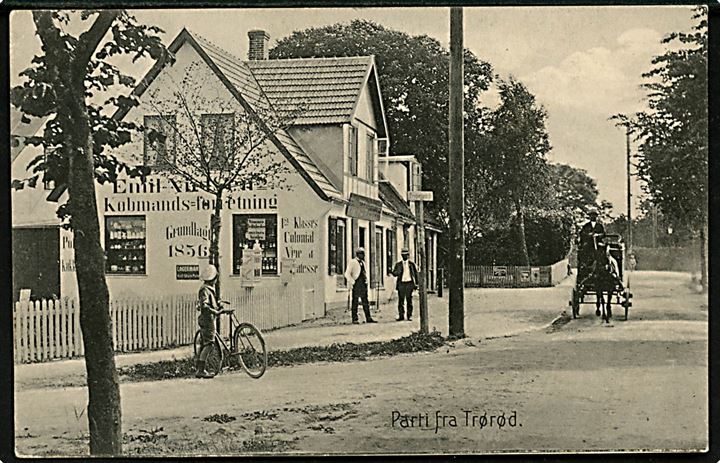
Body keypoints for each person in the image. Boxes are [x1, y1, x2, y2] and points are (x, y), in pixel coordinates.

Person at [195, 264, 229, 378]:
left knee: (206, 343)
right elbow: (204, 306)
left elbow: (212, 301)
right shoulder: (204, 289)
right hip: (207, 319)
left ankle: (200, 366)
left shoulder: (209, 289)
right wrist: (216, 312)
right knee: (209, 344)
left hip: (209, 319)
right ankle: (201, 370)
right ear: (213, 279)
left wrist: (219, 304)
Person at [344, 247, 376, 324]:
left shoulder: (363, 263)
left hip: (363, 284)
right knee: (355, 301)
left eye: (363, 254)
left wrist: (366, 281)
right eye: (362, 254)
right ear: (358, 254)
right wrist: (352, 282)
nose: (363, 256)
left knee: (365, 301)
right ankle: (354, 318)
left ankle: (368, 317)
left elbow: (364, 273)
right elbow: (347, 273)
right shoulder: (353, 262)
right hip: (357, 283)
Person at [577, 210, 605, 282]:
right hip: (589, 244)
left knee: (602, 250)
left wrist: (598, 235)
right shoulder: (586, 226)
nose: (593, 217)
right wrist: (588, 235)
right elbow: (582, 234)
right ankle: (587, 267)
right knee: (585, 251)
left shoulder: (600, 226)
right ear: (589, 217)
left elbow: (603, 234)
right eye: (591, 215)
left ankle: (603, 264)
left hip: (598, 243)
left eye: (594, 215)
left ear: (596, 216)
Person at [392, 248, 418, 321]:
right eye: (403, 255)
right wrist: (394, 272)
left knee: (409, 300)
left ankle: (409, 315)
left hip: (409, 283)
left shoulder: (412, 264)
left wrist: (417, 284)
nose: (404, 256)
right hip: (401, 284)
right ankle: (401, 316)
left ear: (408, 255)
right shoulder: (398, 264)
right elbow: (395, 273)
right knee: (401, 301)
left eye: (406, 255)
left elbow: (416, 274)